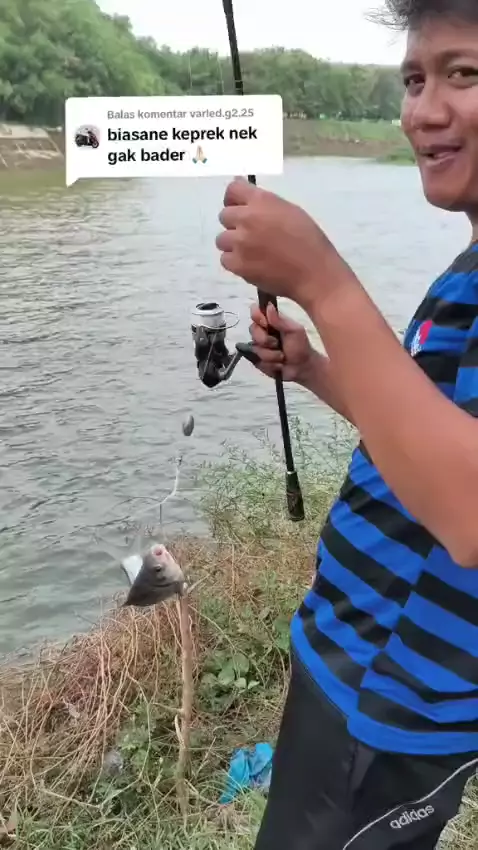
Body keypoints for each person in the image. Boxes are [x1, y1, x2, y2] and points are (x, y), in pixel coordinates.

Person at [215, 2, 478, 848]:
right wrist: (316, 368)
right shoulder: (468, 268)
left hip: (395, 705)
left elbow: (470, 511)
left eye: (463, 73)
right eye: (413, 79)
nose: (422, 111)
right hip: (345, 655)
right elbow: (431, 438)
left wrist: (323, 281)